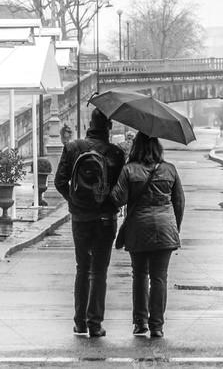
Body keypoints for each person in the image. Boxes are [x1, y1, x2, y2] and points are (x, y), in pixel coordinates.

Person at [54, 108, 126, 337]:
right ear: (109, 127)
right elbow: (120, 189)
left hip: (80, 218)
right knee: (99, 272)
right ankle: (95, 323)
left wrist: (74, 201)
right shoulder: (115, 153)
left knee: (82, 268)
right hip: (105, 219)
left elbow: (59, 181)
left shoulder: (73, 147)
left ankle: (79, 322)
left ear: (89, 124)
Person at [110, 132, 185, 338]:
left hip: (138, 228)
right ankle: (157, 326)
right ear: (157, 148)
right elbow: (179, 202)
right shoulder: (170, 169)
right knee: (159, 277)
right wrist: (174, 227)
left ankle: (140, 322)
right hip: (165, 229)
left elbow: (118, 199)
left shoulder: (129, 170)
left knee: (140, 275)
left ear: (136, 148)